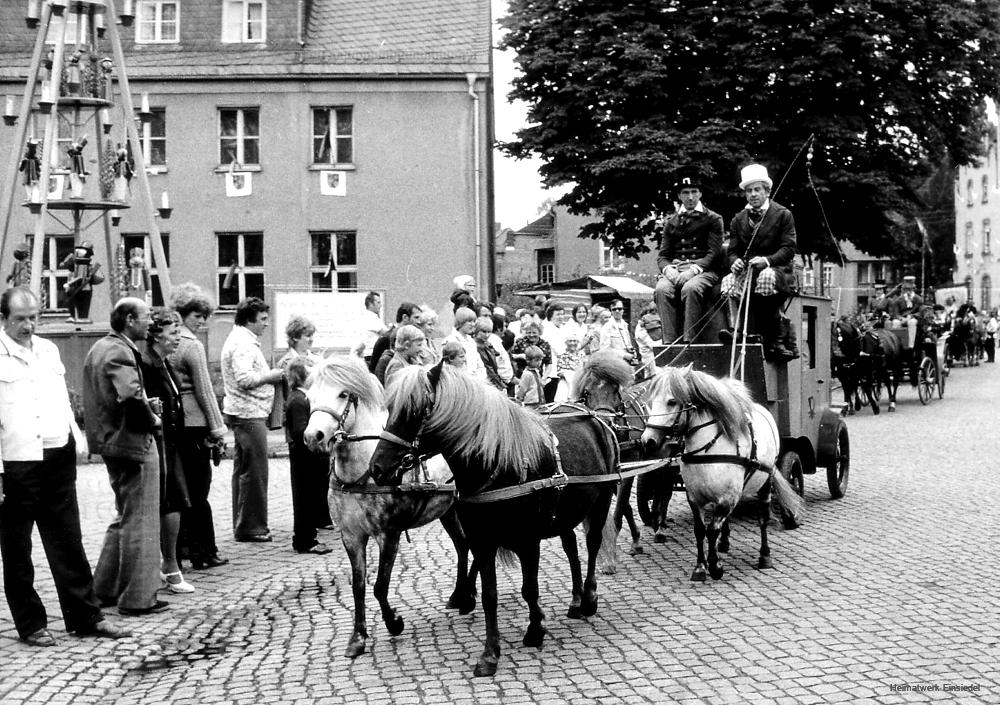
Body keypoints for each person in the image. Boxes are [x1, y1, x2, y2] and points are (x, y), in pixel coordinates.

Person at [0, 287, 130, 645]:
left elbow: (60, 398)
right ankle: (31, 624)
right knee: (17, 550)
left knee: (69, 542)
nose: (28, 326)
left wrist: (78, 438)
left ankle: (86, 616)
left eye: (33, 317)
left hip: (57, 456)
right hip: (16, 462)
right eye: (20, 319)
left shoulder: (48, 349)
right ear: (3, 319)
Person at [84, 297, 167, 616]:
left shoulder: (101, 347)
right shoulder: (120, 350)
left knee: (124, 516)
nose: (151, 323)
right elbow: (130, 396)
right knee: (142, 520)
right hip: (132, 442)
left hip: (111, 442)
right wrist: (152, 419)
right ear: (130, 319)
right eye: (146, 317)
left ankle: (104, 589)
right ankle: (138, 597)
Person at [168, 282, 228, 571]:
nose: (202, 321)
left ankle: (185, 547)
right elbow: (205, 391)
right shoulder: (192, 346)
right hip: (196, 424)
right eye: (197, 316)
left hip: (177, 424)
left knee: (183, 491)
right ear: (183, 314)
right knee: (200, 491)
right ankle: (205, 551)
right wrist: (218, 429)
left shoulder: (168, 343)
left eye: (205, 316)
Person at [139, 308, 194, 595]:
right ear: (156, 334)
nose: (178, 338)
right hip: (160, 444)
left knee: (175, 503)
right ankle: (170, 568)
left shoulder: (164, 362)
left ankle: (169, 565)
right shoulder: (147, 364)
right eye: (173, 333)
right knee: (171, 504)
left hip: (172, 443)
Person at [220, 297, 284, 543]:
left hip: (245, 412)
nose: (266, 324)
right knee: (255, 471)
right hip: (249, 413)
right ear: (249, 320)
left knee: (244, 469)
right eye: (263, 320)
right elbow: (245, 378)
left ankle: (245, 522)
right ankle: (252, 526)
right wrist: (272, 376)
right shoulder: (243, 344)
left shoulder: (240, 339)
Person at [720, 163, 799, 361]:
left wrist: (767, 260)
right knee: (729, 281)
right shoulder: (738, 219)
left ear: (767, 191)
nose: (753, 194)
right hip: (748, 272)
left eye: (757, 189)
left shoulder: (783, 214)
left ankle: (774, 336)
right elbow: (733, 250)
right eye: (749, 191)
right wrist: (735, 262)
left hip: (779, 270)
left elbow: (789, 248)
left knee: (766, 276)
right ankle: (736, 330)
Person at [653, 168, 725, 344]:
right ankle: (669, 343)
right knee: (661, 290)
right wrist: (668, 269)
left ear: (700, 193)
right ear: (679, 195)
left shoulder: (713, 219)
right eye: (686, 193)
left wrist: (693, 270)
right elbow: (663, 255)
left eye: (694, 192)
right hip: (677, 269)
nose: (690, 197)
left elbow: (714, 253)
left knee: (690, 289)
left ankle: (689, 341)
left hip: (704, 270)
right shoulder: (671, 222)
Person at [283, 359, 333, 556]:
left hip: (308, 457)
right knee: (304, 498)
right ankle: (305, 540)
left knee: (309, 498)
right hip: (304, 458)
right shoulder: (298, 399)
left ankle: (308, 537)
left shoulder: (302, 397)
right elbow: (299, 431)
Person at [370, 301, 421, 374]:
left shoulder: (411, 336)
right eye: (416, 317)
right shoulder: (387, 338)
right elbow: (375, 368)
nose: (419, 322)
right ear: (405, 317)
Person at [443, 307, 487, 383]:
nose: (473, 324)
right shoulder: (451, 341)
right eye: (469, 321)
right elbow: (451, 368)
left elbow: (480, 365)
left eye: (474, 321)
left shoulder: (471, 341)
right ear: (461, 322)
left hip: (477, 383)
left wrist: (479, 379)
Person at [599, 299, 638, 364]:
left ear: (623, 310)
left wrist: (632, 353)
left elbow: (628, 344)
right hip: (614, 363)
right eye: (614, 309)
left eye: (619, 309)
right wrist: (623, 355)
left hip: (627, 363)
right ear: (611, 311)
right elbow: (604, 350)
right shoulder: (607, 327)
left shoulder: (625, 325)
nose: (617, 311)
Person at [355, 291, 388, 364]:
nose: (381, 305)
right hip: (373, 355)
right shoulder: (371, 317)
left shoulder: (366, 317)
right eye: (378, 302)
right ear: (370, 304)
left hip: (369, 354)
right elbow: (385, 333)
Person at [474, 318, 505, 390]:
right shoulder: (472, 346)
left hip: (494, 379)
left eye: (489, 332)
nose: (487, 335)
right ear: (477, 330)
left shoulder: (488, 344)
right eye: (484, 332)